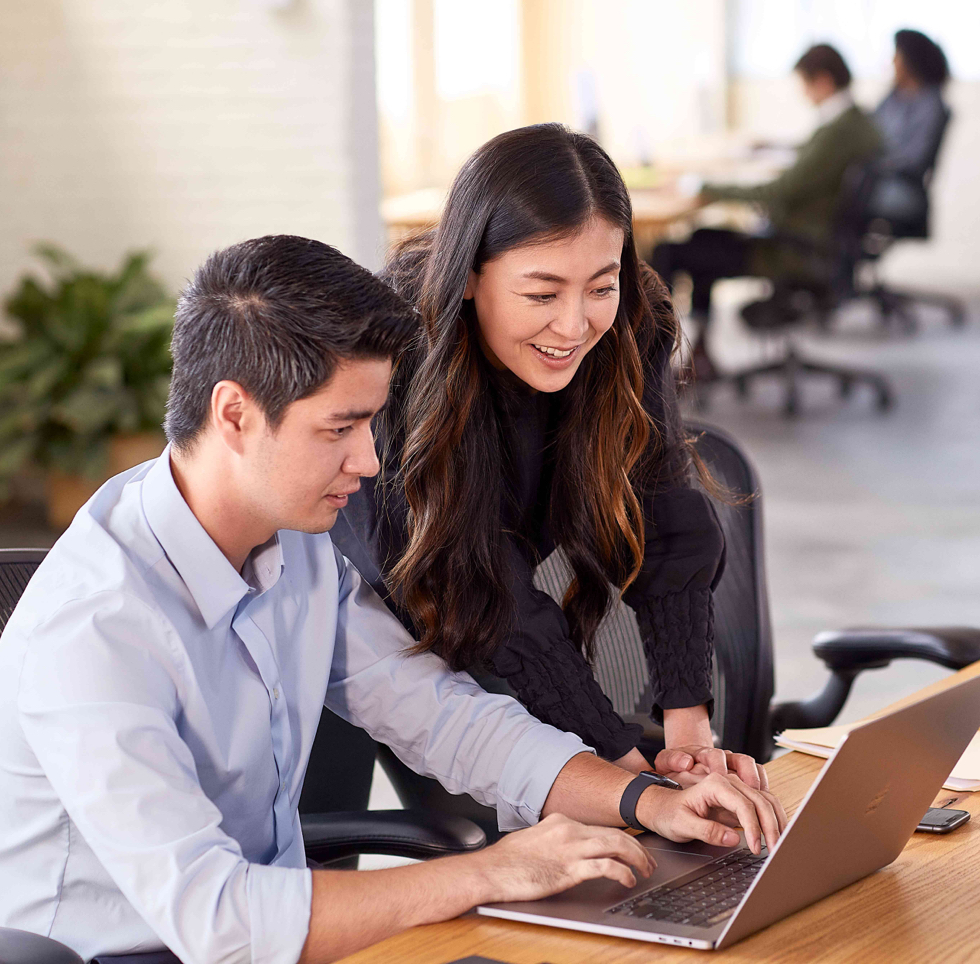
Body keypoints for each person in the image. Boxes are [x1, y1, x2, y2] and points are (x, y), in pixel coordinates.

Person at [0, 235, 786, 964]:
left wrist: (644, 799)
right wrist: (488, 872)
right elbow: (220, 920)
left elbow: (441, 714)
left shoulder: (293, 542)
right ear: (234, 414)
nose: (371, 462)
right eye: (341, 428)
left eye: (372, 423)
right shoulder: (96, 628)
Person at [333, 123, 766, 837]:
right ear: (470, 274)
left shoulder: (628, 323)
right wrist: (625, 765)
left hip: (490, 610)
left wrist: (688, 730)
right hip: (362, 613)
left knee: (604, 831)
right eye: (541, 293)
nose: (575, 324)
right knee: (322, 869)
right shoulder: (397, 355)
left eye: (602, 284)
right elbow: (479, 585)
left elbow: (663, 511)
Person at [651, 44, 881, 378]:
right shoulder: (855, 123)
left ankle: (653, 369)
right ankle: (699, 355)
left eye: (804, 84)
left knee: (673, 252)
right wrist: (776, 147)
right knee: (702, 239)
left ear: (823, 80)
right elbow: (813, 157)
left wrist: (703, 187)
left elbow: (779, 190)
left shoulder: (838, 131)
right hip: (815, 242)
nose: (803, 93)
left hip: (795, 250)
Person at [869, 29, 950, 228]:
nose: (893, 63)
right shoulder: (892, 97)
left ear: (911, 61)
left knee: (836, 199)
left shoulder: (931, 105)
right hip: (873, 182)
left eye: (897, 56)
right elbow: (865, 133)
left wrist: (872, 163)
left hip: (901, 189)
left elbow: (914, 160)